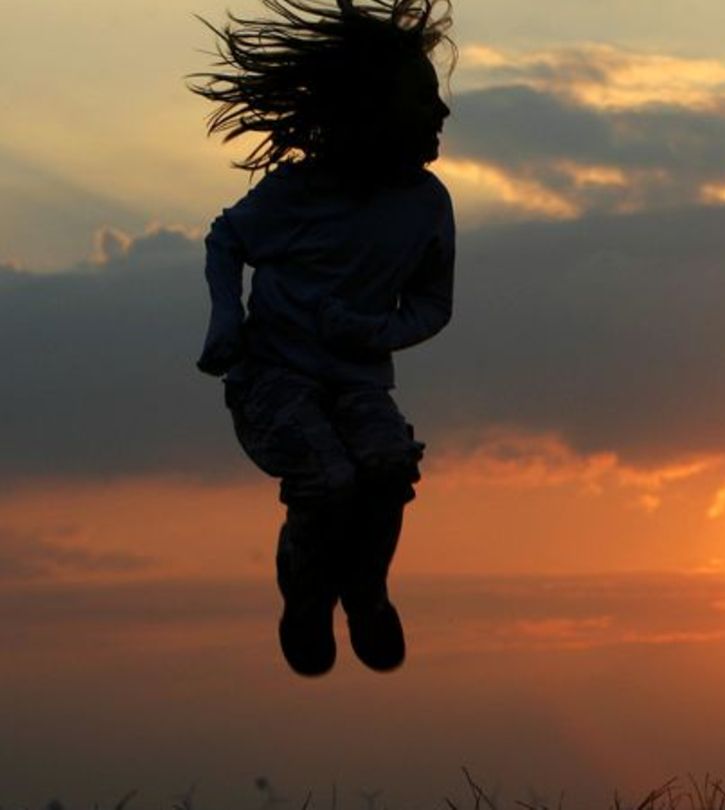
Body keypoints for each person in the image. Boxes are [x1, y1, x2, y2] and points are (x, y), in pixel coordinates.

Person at [190, 0, 455, 675]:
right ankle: (306, 600)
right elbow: (227, 240)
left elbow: (432, 304)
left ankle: (366, 591)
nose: (441, 114)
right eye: (423, 99)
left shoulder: (426, 204)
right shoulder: (296, 193)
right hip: (272, 379)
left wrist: (374, 329)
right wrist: (226, 323)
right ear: (372, 110)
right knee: (330, 479)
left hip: (359, 381)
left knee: (388, 466)